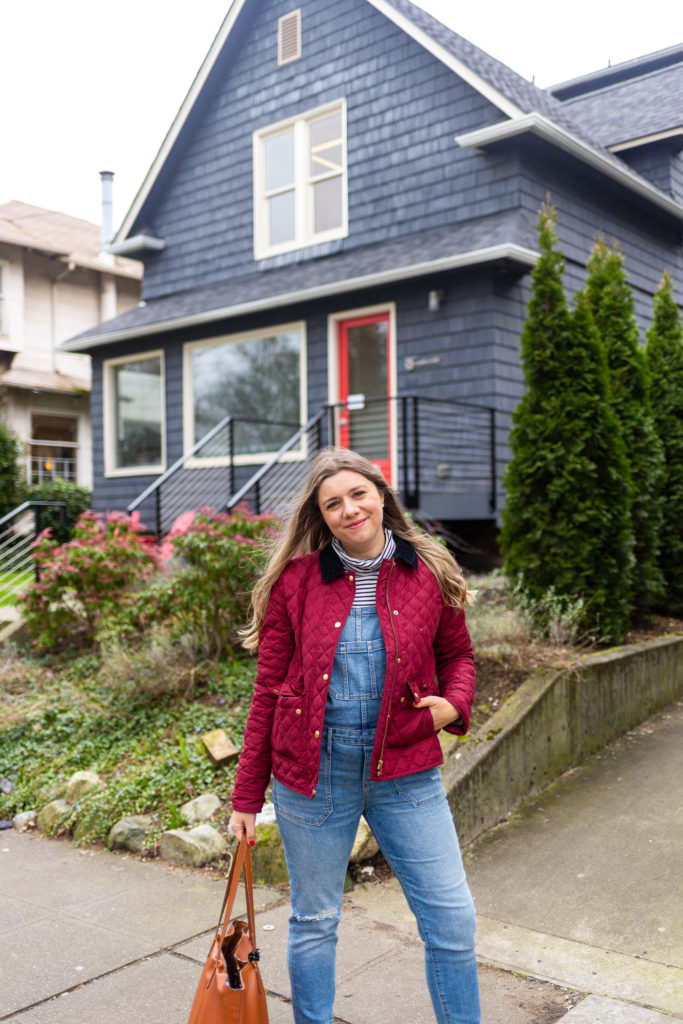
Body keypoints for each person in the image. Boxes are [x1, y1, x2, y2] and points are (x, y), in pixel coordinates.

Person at [229, 447, 481, 1024]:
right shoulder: (297, 582)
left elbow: (459, 656)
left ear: (380, 494)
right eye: (333, 503)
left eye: (358, 494)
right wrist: (246, 797)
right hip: (314, 777)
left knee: (452, 919)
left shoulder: (430, 567)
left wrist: (455, 704)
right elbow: (268, 691)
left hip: (406, 771)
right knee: (314, 921)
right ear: (322, 516)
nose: (349, 510)